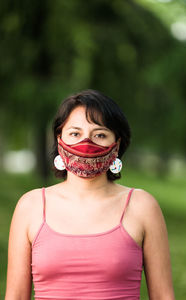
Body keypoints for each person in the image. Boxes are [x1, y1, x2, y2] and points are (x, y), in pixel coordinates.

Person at [5, 89, 175, 300]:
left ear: (117, 144)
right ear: (59, 140)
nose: (86, 143)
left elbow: (163, 297)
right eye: (75, 133)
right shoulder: (30, 207)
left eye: (100, 135)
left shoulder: (142, 206)